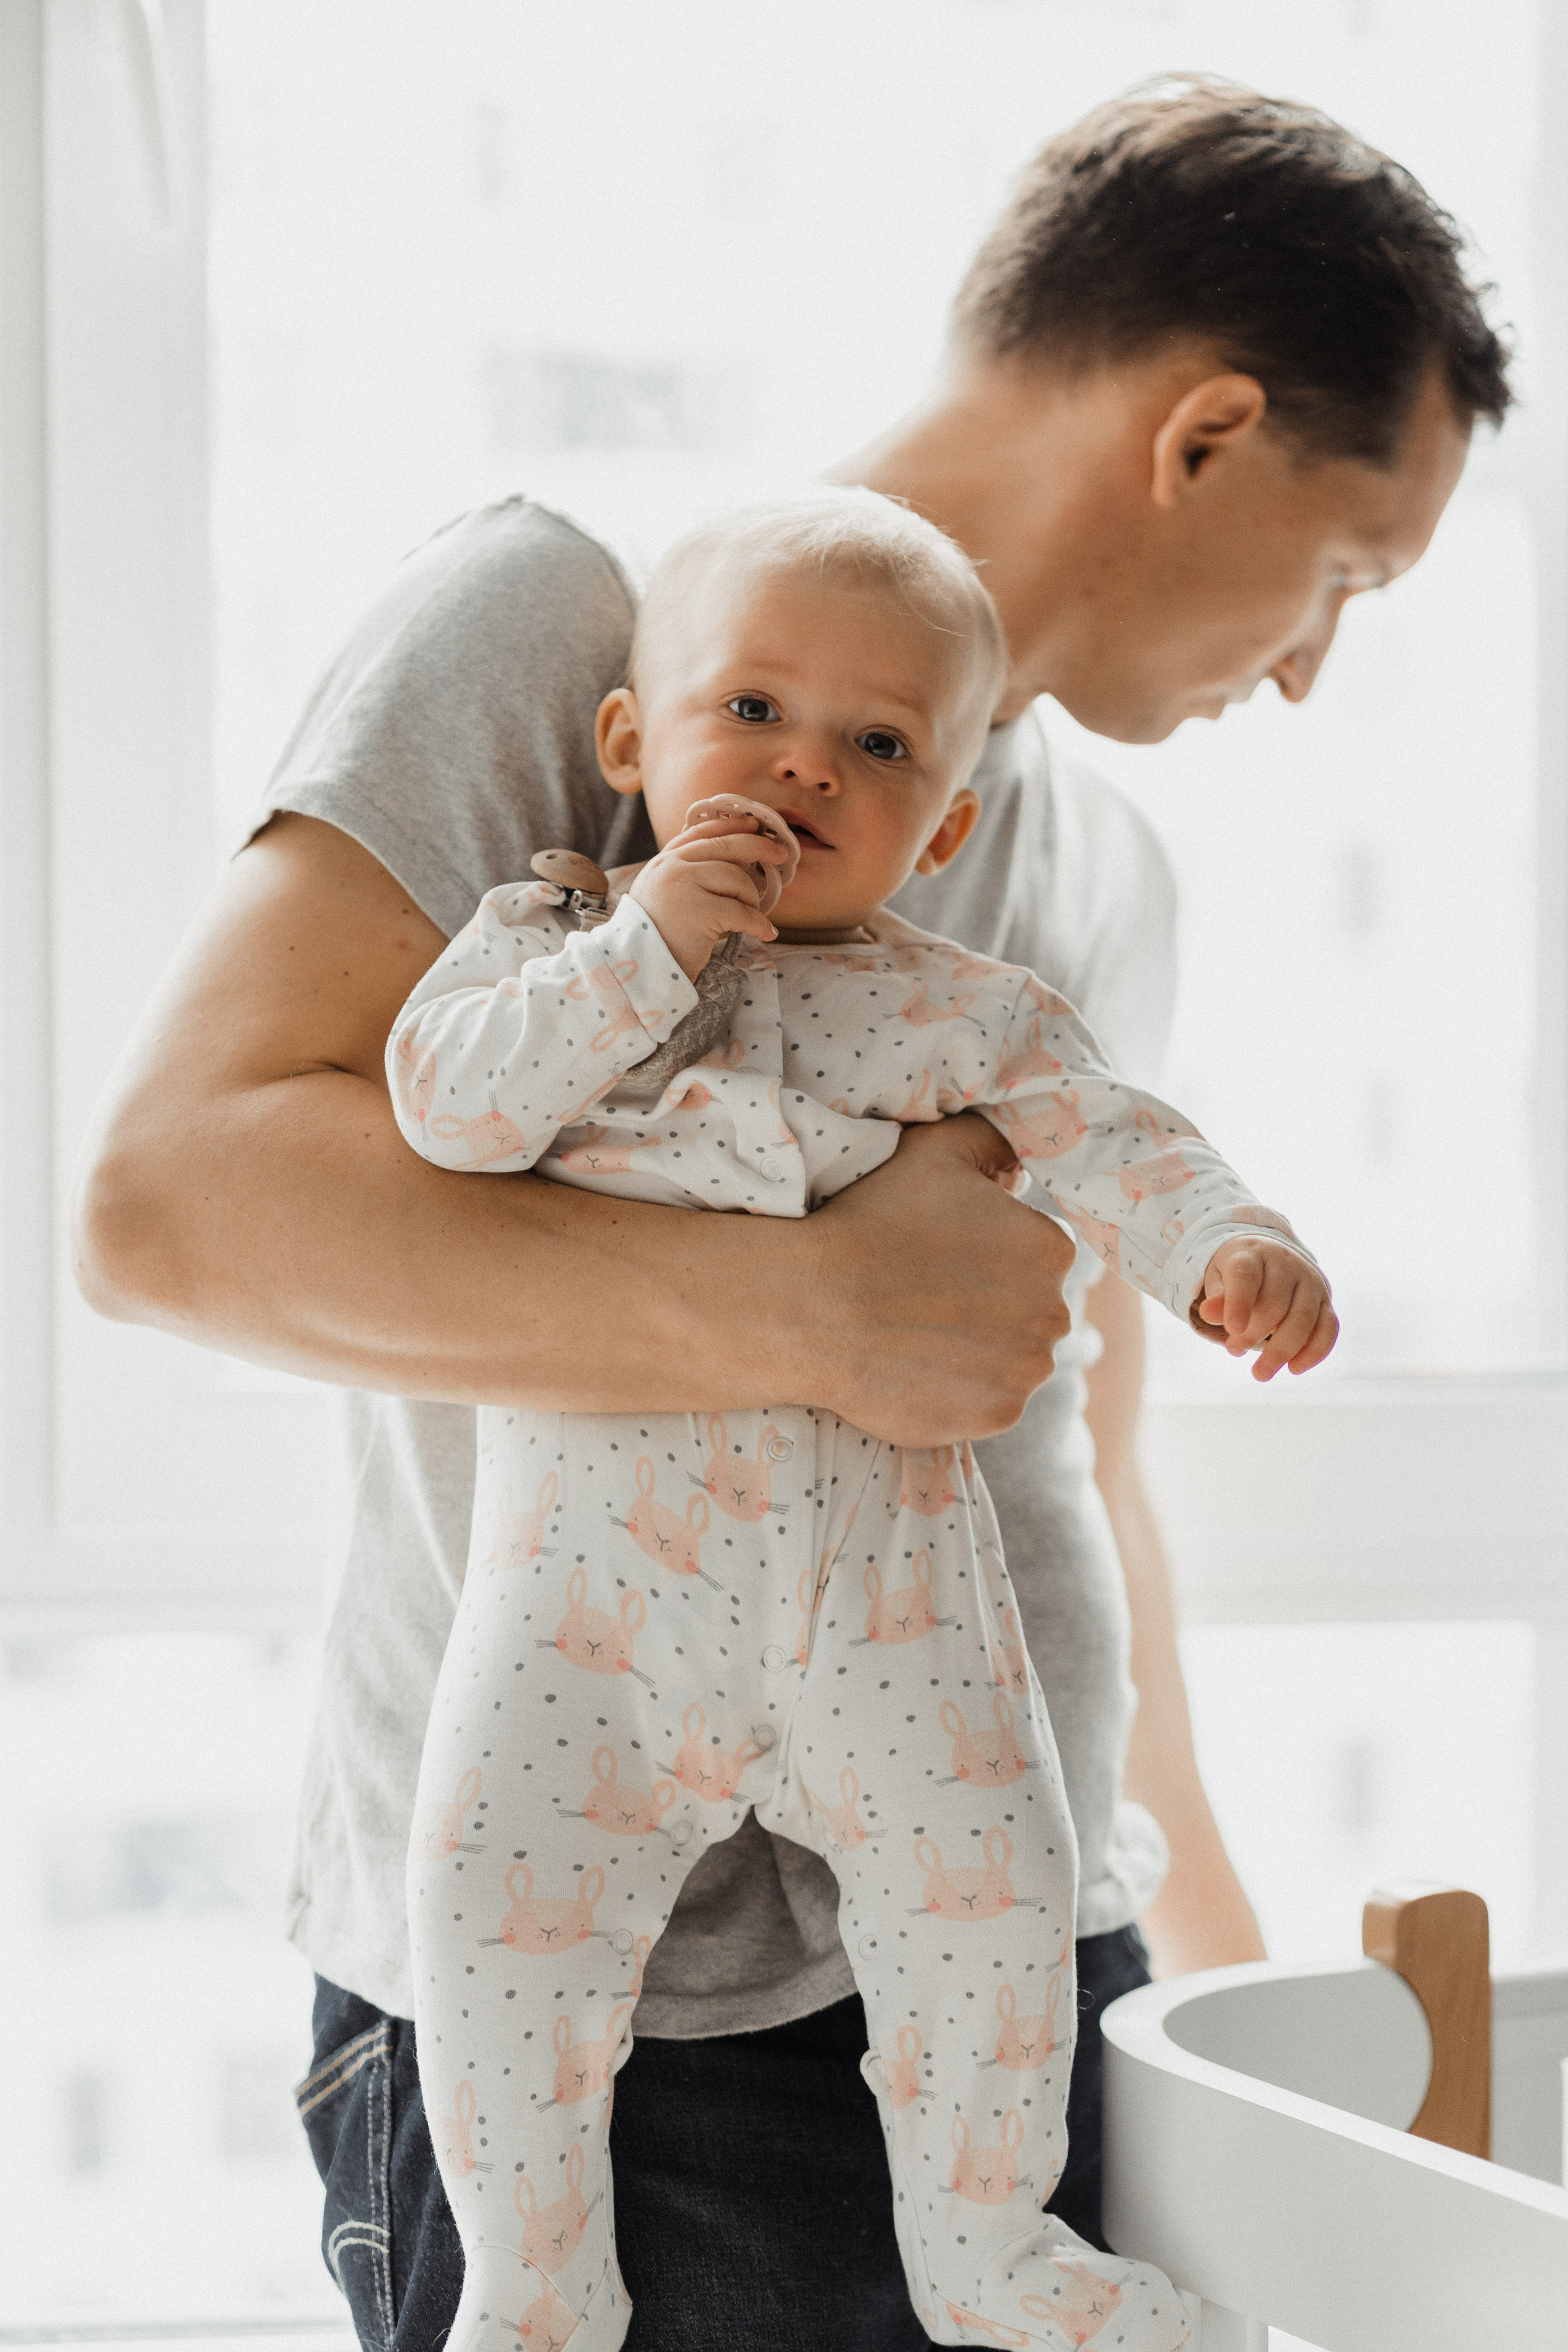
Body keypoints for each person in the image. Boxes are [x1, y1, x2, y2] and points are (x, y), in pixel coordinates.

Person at [72, 78, 1506, 2352]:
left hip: (1020, 1952)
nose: (1313, 669)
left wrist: (1202, 1975)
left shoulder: (1084, 876)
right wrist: (815, 1309)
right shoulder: (570, 625)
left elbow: (1067, 1452)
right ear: (1207, 431)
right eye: (1348, 576)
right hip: (624, 2028)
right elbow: (169, 1208)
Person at [390, 488, 1335, 2352]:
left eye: (880, 746)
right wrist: (646, 945)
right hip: (590, 1617)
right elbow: (450, 1115)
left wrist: (1232, 1245)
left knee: (996, 1893)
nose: (805, 767)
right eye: (752, 713)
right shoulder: (551, 951)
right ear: (630, 746)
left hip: (887, 1610)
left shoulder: (953, 1010)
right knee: (494, 1907)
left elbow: (1111, 1132)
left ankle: (990, 2248)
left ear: (946, 820)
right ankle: (535, 2278)